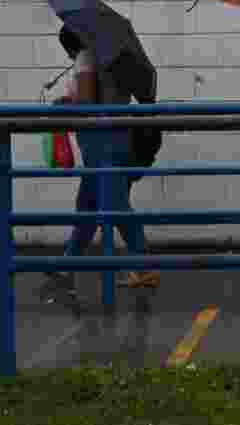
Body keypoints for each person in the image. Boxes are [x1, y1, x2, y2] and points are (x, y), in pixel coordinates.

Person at [50, 26, 159, 290]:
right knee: (88, 205)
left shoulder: (85, 57)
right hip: (115, 139)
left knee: (115, 206)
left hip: (101, 142)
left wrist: (63, 104)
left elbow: (88, 104)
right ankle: (67, 266)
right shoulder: (111, 58)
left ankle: (144, 267)